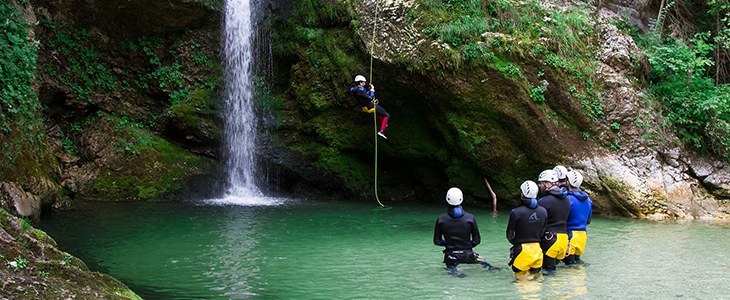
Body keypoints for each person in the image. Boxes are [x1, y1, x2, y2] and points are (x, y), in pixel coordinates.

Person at [506, 180, 548, 281]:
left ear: (523, 194)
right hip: (537, 250)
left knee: (521, 281)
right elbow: (542, 232)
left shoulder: (516, 212)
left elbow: (509, 234)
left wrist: (516, 242)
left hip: (522, 250)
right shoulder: (543, 211)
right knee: (537, 279)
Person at [433, 187, 481, 273]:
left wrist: (450, 243)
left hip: (450, 256)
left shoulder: (441, 219)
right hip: (468, 255)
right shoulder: (470, 218)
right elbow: (476, 240)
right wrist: (466, 245)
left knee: (452, 272)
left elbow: (437, 241)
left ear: (447, 199)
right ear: (461, 199)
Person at [536, 169, 570, 275]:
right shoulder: (567, 200)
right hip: (564, 240)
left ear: (548, 183)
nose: (539, 186)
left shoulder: (544, 202)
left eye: (541, 183)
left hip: (550, 240)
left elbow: (538, 223)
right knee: (554, 273)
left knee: (547, 273)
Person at [563, 170, 593, 265]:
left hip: (570, 235)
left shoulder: (567, 199)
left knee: (569, 264)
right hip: (582, 236)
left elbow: (563, 218)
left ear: (568, 182)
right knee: (577, 261)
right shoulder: (588, 200)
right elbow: (588, 219)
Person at [349, 75, 390, 139]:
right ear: (360, 83)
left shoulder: (356, 89)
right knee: (387, 115)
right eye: (364, 82)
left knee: (380, 113)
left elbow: (365, 94)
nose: (365, 84)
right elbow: (370, 97)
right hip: (369, 106)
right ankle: (382, 131)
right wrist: (372, 90)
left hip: (366, 106)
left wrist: (370, 90)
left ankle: (384, 124)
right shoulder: (359, 91)